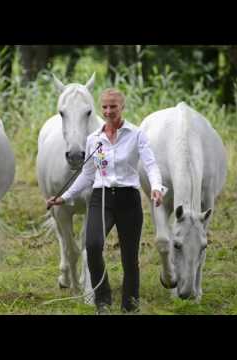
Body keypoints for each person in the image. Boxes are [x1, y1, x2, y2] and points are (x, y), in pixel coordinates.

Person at [46, 88, 165, 314]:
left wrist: (157, 187)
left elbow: (150, 165)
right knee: (92, 246)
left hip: (128, 198)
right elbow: (87, 175)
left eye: (113, 106)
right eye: (105, 107)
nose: (109, 111)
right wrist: (64, 197)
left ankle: (130, 305)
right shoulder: (94, 140)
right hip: (101, 199)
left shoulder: (136, 134)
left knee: (129, 257)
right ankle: (103, 301)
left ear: (122, 107)